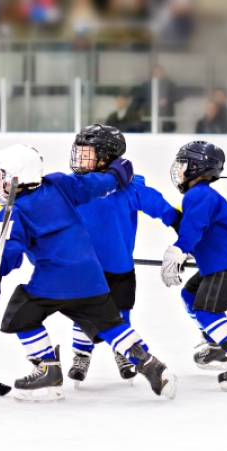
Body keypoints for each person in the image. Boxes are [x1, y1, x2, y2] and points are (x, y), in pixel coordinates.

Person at [0, 144, 177, 402]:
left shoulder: (12, 215)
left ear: (16, 178)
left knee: (20, 314)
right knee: (112, 324)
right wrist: (115, 176)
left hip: (54, 280)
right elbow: (94, 185)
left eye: (0, 177)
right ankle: (152, 366)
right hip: (92, 276)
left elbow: (9, 252)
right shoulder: (60, 184)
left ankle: (48, 372)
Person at [66, 124, 181, 386]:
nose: (80, 158)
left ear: (107, 157)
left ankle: (123, 352)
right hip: (85, 267)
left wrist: (178, 223)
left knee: (120, 311)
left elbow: (158, 204)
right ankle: (81, 355)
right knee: (83, 313)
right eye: (80, 151)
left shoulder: (129, 189)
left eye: (88, 153)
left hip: (120, 268)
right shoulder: (75, 186)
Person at [160, 141, 227, 392]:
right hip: (219, 263)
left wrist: (178, 250)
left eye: (184, 164)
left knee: (206, 311)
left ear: (197, 166)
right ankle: (216, 344)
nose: (179, 170)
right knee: (190, 295)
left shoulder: (199, 194)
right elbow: (200, 230)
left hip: (225, 265)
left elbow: (193, 228)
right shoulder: (201, 195)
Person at [130, 65, 178, 132]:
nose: (156, 74)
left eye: (158, 72)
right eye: (154, 72)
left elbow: (178, 95)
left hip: (166, 122)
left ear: (162, 73)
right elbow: (137, 102)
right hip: (149, 121)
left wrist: (167, 100)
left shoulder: (169, 85)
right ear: (151, 74)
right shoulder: (146, 86)